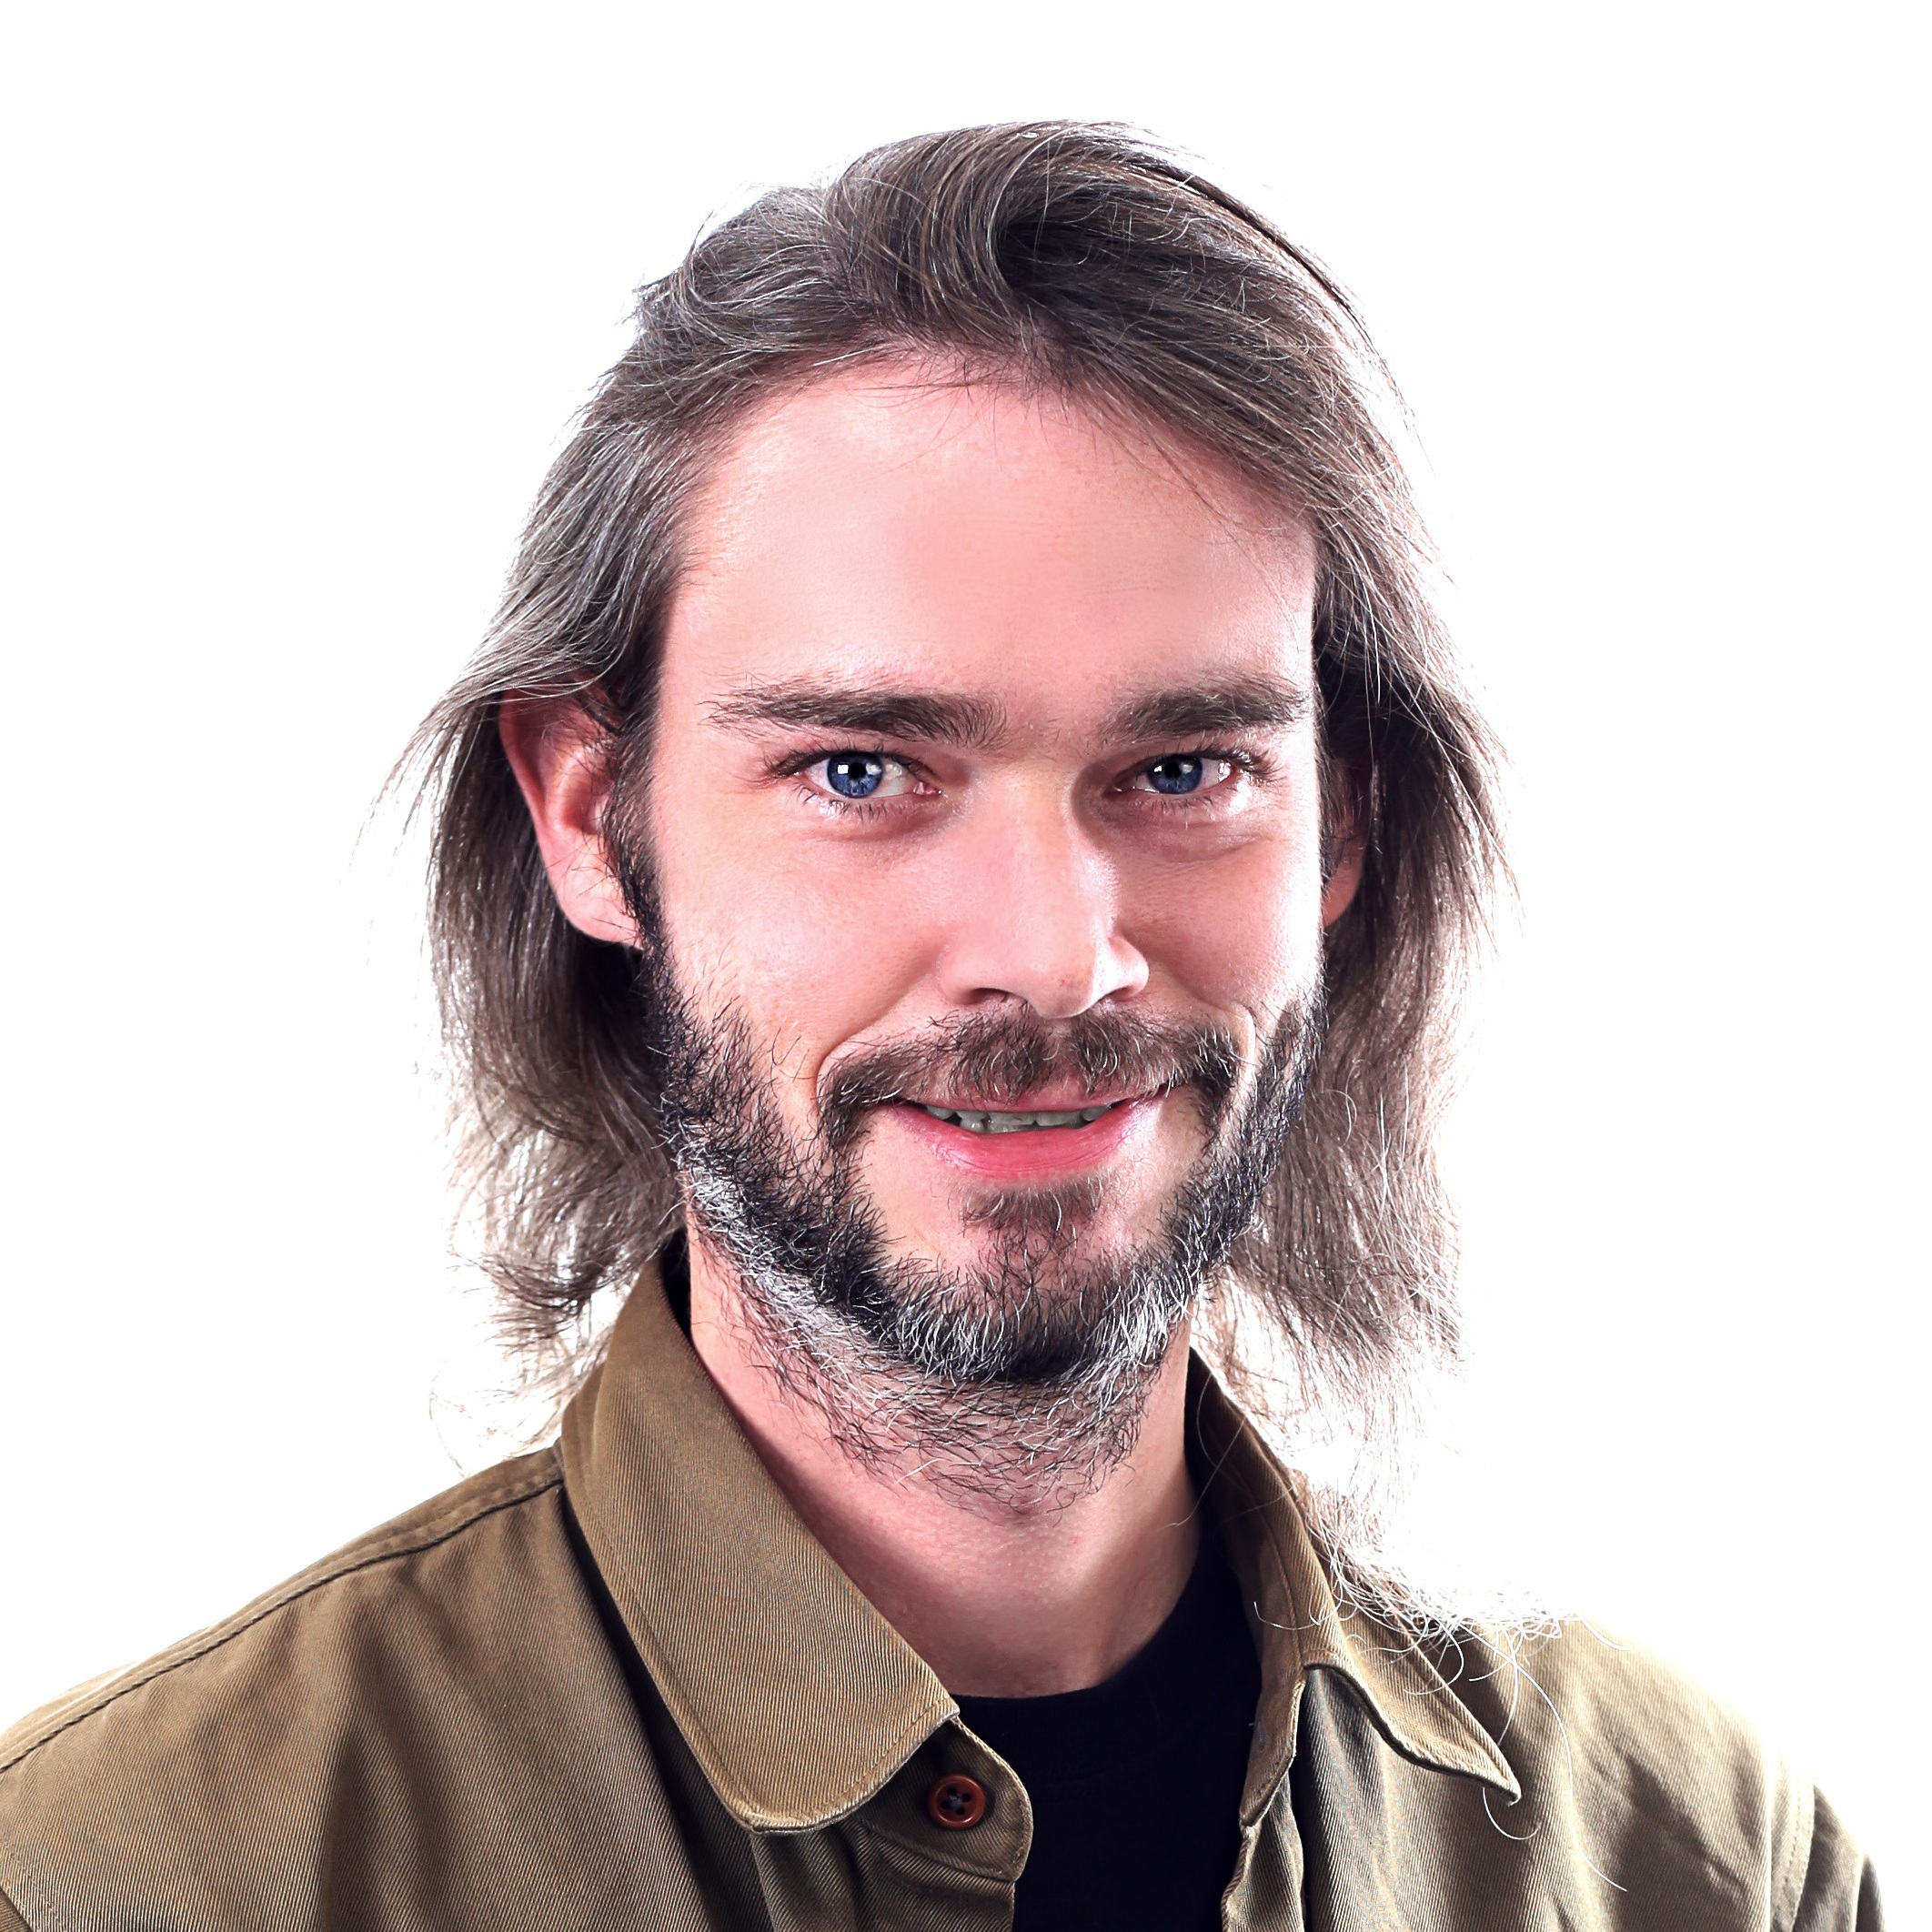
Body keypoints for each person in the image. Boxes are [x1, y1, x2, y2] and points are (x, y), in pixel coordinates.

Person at [0, 122, 1880, 1931]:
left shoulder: (1702, 1865)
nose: (1058, 957)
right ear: (589, 814)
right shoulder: (123, 1883)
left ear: (1343, 827)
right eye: (860, 769)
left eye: (1187, 767)